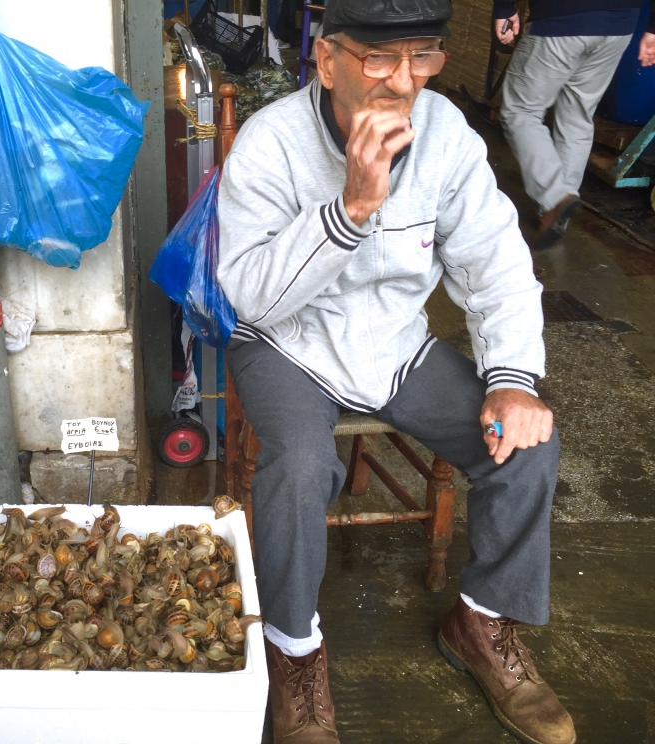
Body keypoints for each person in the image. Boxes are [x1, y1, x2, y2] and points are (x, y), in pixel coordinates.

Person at [217, 1, 573, 742]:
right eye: (380, 58)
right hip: (288, 344)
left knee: (526, 443)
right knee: (297, 467)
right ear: (326, 61)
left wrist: (512, 376)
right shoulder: (270, 142)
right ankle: (294, 652)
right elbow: (248, 291)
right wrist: (350, 208)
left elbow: (497, 263)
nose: (404, 81)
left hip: (390, 346)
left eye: (424, 56)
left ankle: (480, 622)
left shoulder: (447, 136)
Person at [495, 0, 655, 248]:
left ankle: (556, 197)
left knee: (521, 111)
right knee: (578, 115)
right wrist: (652, 28)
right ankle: (557, 212)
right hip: (620, 22)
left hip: (561, 18)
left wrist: (504, 8)